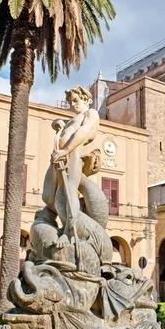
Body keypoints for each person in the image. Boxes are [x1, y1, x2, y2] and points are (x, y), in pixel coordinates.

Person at [42, 86, 99, 249]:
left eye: (76, 100)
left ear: (86, 99)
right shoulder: (73, 119)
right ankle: (69, 223)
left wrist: (66, 150)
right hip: (58, 157)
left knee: (68, 192)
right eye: (70, 102)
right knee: (48, 197)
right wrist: (59, 124)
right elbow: (63, 126)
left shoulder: (91, 113)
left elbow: (84, 130)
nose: (73, 104)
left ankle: (69, 232)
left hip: (73, 154)